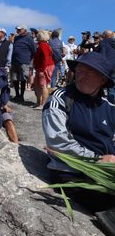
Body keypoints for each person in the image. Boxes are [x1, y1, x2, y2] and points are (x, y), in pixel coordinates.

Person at [42, 51, 115, 213]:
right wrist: (98, 160)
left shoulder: (109, 106)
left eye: (91, 72)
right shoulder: (60, 98)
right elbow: (58, 142)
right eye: (80, 70)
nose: (82, 76)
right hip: (73, 172)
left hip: (107, 170)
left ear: (103, 80)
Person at [10, 25, 36, 102]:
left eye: (19, 29)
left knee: (22, 79)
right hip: (15, 61)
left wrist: (29, 59)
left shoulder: (29, 39)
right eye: (17, 29)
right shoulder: (17, 38)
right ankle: (17, 95)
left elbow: (33, 50)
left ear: (24, 30)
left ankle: (21, 96)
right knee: (15, 78)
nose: (17, 31)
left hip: (24, 61)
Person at [33, 30, 54, 110]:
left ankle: (43, 104)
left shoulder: (43, 45)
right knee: (37, 85)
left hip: (44, 67)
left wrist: (43, 70)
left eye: (38, 35)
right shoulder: (42, 45)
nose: (36, 36)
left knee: (42, 85)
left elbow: (46, 58)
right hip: (41, 67)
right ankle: (39, 102)